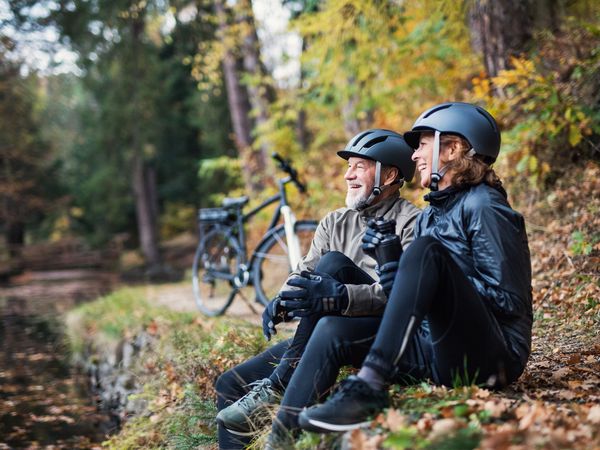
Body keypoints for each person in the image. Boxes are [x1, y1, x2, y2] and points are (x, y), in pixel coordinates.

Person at [296, 102, 533, 434]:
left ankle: (370, 385)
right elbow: (412, 309)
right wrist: (394, 269)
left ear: (452, 148)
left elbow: (509, 301)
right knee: (332, 331)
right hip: (437, 349)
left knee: (426, 251)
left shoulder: (484, 206)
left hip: (495, 357)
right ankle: (280, 434)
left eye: (422, 144)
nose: (414, 155)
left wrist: (437, 275)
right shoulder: (430, 216)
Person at [214, 129, 420, 449]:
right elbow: (305, 272)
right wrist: (284, 300)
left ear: (391, 174)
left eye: (360, 166)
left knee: (334, 265)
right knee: (229, 383)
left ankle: (278, 384)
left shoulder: (412, 222)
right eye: (348, 166)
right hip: (324, 328)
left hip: (375, 330)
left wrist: (340, 296)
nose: (348, 175)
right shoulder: (334, 221)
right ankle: (273, 387)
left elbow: (404, 294)